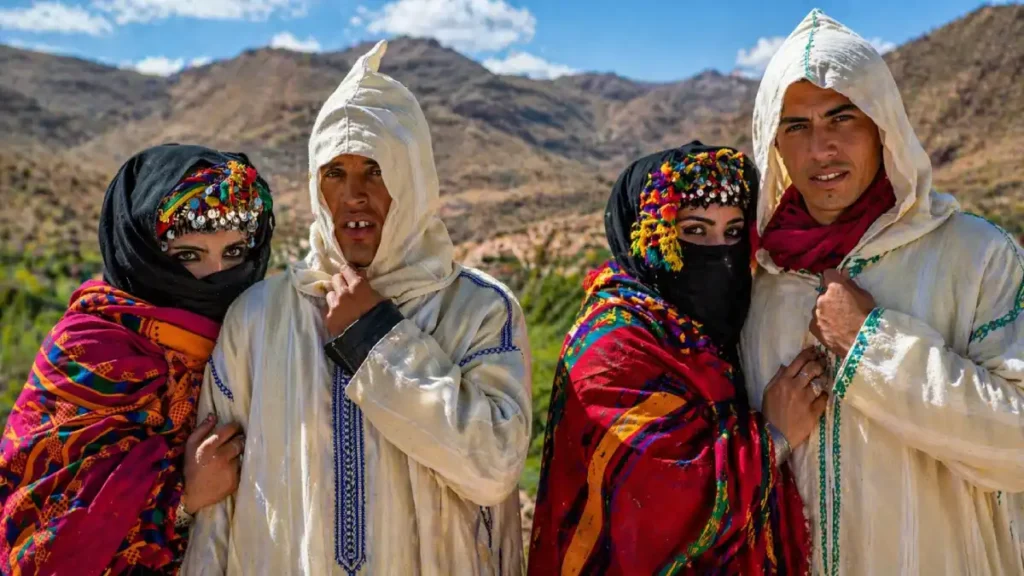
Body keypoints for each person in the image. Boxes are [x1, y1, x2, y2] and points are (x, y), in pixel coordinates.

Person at [182, 40, 531, 575]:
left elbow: (494, 469)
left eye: (375, 169)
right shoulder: (258, 318)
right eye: (335, 173)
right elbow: (216, 512)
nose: (354, 195)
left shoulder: (479, 309)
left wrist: (376, 337)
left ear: (412, 177)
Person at [741, 9, 1024, 575]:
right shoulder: (756, 280)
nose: (821, 148)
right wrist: (767, 436)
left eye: (842, 118)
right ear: (774, 145)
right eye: (796, 127)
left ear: (882, 126)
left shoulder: (976, 256)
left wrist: (872, 344)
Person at [528, 142, 823, 574]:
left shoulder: (713, 331)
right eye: (695, 231)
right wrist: (773, 437)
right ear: (648, 240)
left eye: (733, 232)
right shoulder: (613, 348)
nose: (720, 252)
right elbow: (653, 503)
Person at [0, 144, 276, 575]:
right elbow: (39, 546)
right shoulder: (88, 351)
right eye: (188, 255)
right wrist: (182, 498)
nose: (216, 276)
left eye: (235, 253)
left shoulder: (261, 342)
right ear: (140, 252)